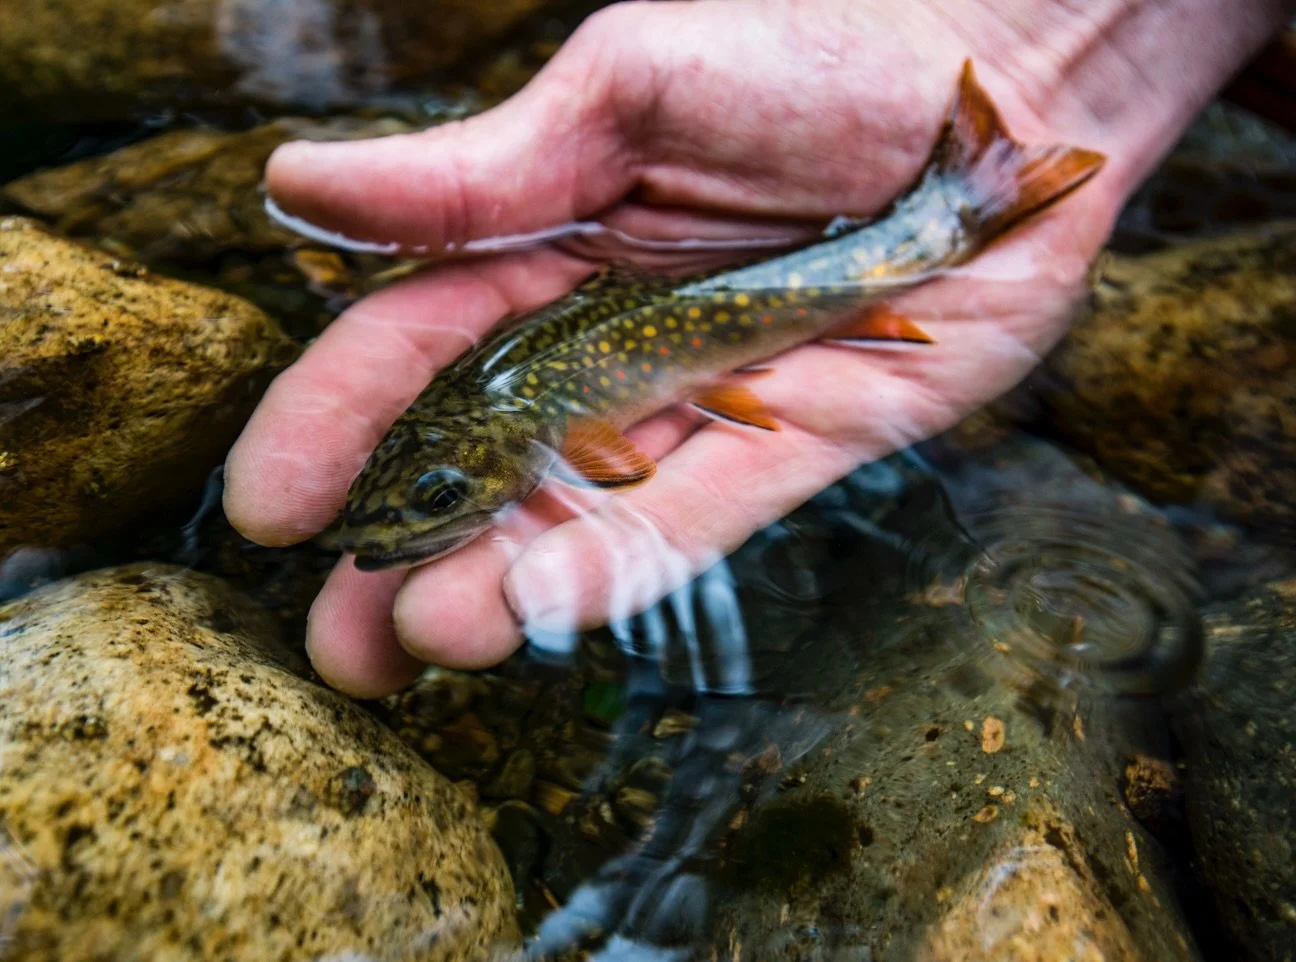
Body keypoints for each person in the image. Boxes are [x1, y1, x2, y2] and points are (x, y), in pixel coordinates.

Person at [224, 0, 1286, 697]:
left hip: (798, 279)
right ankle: (963, 202)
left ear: (491, 446)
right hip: (778, 285)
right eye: (426, 501)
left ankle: (971, 198)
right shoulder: (512, 417)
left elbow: (617, 461)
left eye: (432, 494)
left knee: (887, 256)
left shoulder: (542, 419)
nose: (419, 517)